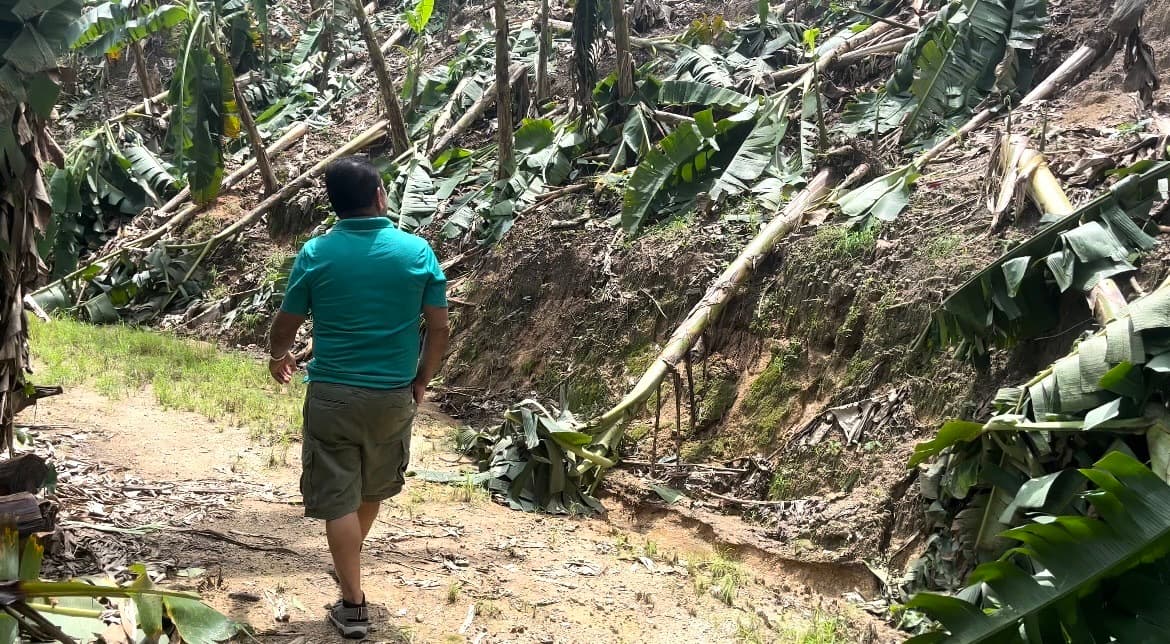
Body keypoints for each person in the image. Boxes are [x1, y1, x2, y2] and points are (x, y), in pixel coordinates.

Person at [266, 155, 449, 639]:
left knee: (340, 496)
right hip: (392, 396)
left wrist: (277, 354)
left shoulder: (316, 253)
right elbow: (439, 326)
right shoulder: (416, 252)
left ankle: (352, 604)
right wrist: (423, 378)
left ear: (335, 204)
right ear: (380, 196)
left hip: (333, 396)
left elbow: (287, 323)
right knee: (370, 489)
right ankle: (349, 572)